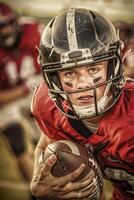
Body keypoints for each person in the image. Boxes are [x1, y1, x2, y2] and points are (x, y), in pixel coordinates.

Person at [30, 7, 134, 200]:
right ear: (54, 79)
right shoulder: (48, 106)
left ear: (113, 67)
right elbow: (45, 146)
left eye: (94, 69)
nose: (83, 84)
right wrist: (38, 183)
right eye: (69, 73)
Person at [0, 2, 42, 185]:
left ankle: (44, 180)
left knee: (44, 138)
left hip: (33, 91)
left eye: (3, 25)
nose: (3, 32)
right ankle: (36, 189)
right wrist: (25, 87)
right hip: (9, 98)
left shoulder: (32, 30)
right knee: (17, 144)